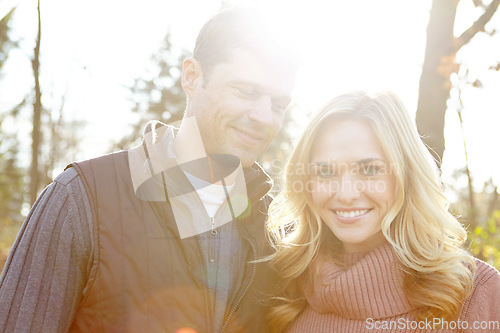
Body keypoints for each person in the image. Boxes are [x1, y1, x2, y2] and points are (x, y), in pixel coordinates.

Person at [0, 6, 299, 333]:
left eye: (278, 104)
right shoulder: (80, 199)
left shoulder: (279, 233)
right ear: (192, 77)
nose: (265, 117)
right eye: (246, 91)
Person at [266, 91, 500, 332]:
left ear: (407, 176)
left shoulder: (475, 294)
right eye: (325, 172)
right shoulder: (285, 288)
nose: (346, 194)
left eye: (369, 170)